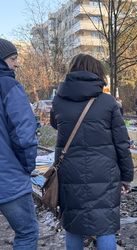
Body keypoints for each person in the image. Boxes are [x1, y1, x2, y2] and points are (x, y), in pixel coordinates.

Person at [50, 53, 134, 250]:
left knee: (73, 225)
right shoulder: (108, 102)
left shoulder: (58, 101)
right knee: (105, 226)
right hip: (104, 172)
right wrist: (127, 176)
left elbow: (57, 125)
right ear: (97, 73)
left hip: (69, 172)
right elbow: (122, 143)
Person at [0, 38, 39, 249]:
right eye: (13, 59)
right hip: (8, 176)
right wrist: (28, 166)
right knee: (27, 233)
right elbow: (24, 134)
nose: (17, 64)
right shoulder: (8, 85)